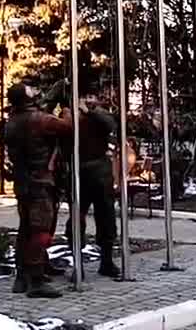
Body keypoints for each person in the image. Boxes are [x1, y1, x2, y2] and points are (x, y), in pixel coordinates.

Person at [5, 82, 73, 298]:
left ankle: (21, 277)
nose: (35, 90)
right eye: (31, 90)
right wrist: (67, 111)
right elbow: (67, 127)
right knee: (41, 230)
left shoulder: (13, 121)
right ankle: (36, 282)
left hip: (22, 182)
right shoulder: (39, 120)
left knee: (25, 229)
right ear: (26, 98)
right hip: (40, 182)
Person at [69, 91, 120, 279]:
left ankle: (106, 261)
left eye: (92, 97)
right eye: (85, 96)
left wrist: (90, 111)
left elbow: (111, 124)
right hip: (78, 172)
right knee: (76, 219)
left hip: (100, 172)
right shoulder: (69, 115)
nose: (89, 100)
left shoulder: (100, 115)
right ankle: (77, 264)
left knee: (106, 217)